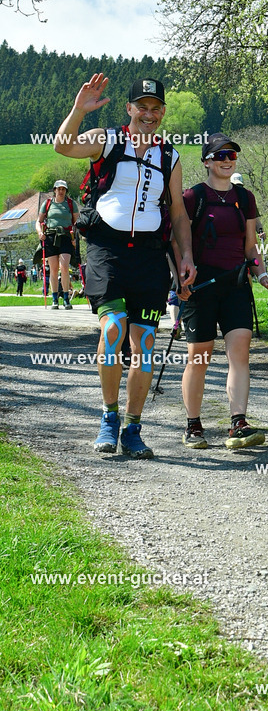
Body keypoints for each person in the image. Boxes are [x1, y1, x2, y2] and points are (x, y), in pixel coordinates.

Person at [54, 73, 196, 457]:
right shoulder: (107, 138)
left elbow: (179, 213)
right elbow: (63, 146)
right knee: (114, 328)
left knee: (144, 344)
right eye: (142, 107)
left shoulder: (169, 155)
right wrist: (78, 110)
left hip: (149, 255)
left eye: (156, 109)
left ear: (162, 112)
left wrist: (186, 256)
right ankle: (108, 416)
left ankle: (133, 427)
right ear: (129, 108)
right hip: (107, 248)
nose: (149, 115)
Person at [179, 133, 268, 450]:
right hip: (201, 285)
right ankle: (193, 426)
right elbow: (178, 242)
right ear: (207, 161)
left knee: (240, 351)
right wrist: (179, 280)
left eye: (232, 156)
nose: (227, 160)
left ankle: (238, 422)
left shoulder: (245, 198)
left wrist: (263, 276)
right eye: (220, 155)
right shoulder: (192, 197)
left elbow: (250, 246)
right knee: (200, 357)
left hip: (237, 283)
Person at [36, 179, 78, 309]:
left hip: (66, 237)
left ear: (66, 191)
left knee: (64, 266)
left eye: (63, 189)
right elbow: (39, 221)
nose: (61, 191)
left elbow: (76, 223)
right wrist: (39, 233)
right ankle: (55, 299)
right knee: (53, 269)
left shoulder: (71, 204)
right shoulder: (47, 203)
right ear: (54, 190)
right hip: (50, 236)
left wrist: (75, 237)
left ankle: (66, 298)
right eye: (58, 189)